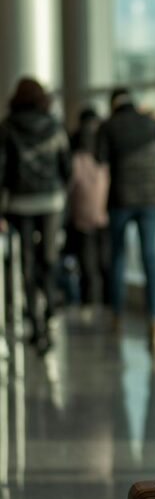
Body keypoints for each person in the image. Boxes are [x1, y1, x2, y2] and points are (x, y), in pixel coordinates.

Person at [96, 88, 155, 355]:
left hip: (121, 198)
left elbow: (99, 157)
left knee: (118, 256)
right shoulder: (147, 121)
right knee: (150, 257)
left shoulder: (108, 126)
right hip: (151, 196)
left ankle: (117, 318)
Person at [0, 76, 72, 355]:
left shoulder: (7, 128)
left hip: (19, 203)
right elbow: (66, 165)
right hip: (51, 200)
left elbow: (2, 168)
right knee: (49, 258)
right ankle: (51, 308)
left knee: (26, 263)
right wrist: (61, 189)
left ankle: (37, 324)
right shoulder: (54, 126)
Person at [67, 107, 110, 314]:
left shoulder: (75, 156)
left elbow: (70, 186)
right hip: (103, 214)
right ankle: (105, 303)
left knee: (87, 263)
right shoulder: (105, 155)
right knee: (104, 261)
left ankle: (89, 303)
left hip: (81, 215)